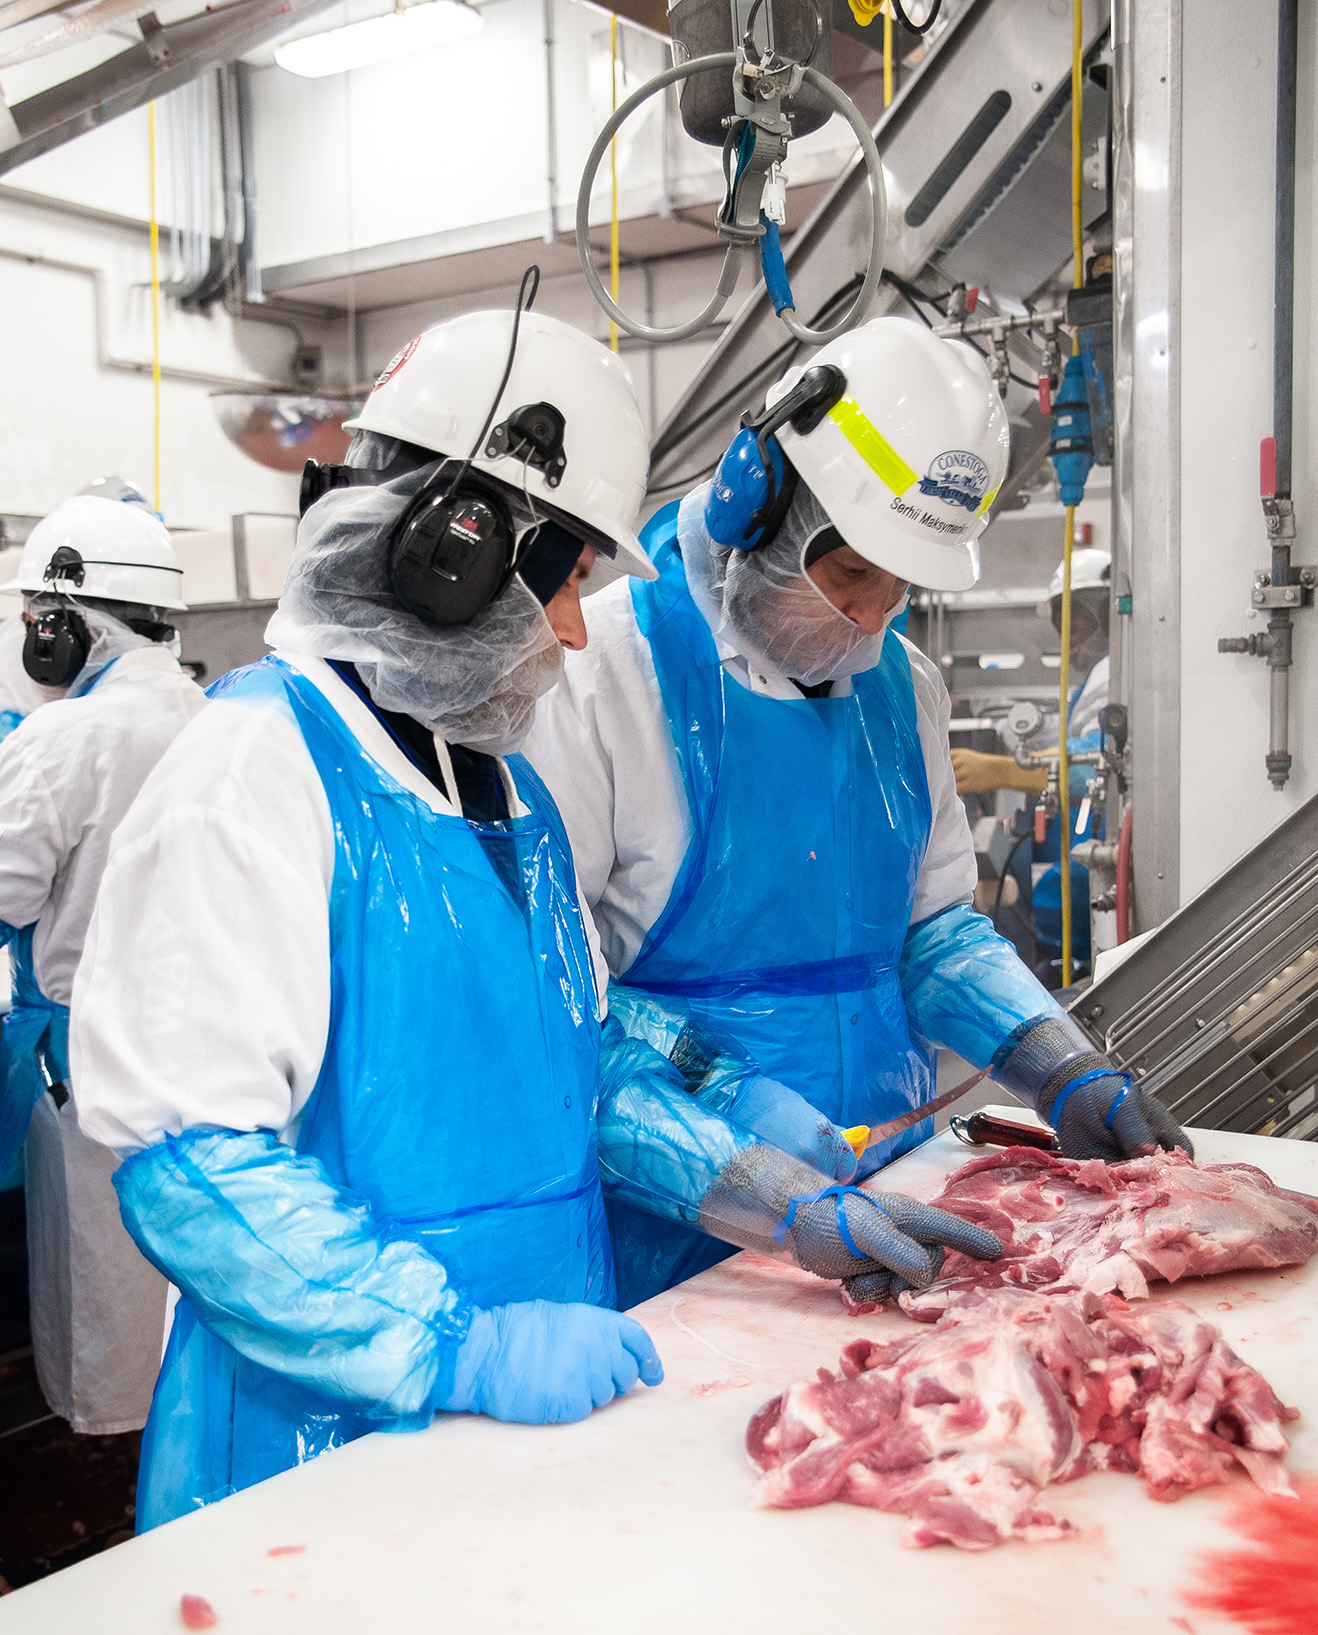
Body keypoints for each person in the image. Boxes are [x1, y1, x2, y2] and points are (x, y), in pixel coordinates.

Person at [70, 301, 1000, 1529]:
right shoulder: (249, 775)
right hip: (322, 1453)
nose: (570, 631)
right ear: (447, 557)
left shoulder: (506, 798)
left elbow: (586, 1066)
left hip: (529, 1428)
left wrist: (769, 1198)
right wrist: (455, 1346)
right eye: (563, 583)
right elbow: (194, 1168)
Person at [525, 317, 1188, 1308]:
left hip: (896, 1200)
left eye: (900, 586)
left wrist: (1056, 1064)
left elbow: (932, 935)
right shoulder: (598, 678)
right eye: (850, 577)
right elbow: (559, 1007)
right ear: (757, 510)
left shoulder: (902, 686)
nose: (874, 618)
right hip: (684, 1229)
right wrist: (752, 1165)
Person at [0, 478, 203, 1434]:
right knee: (189, 1285)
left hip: (90, 1068)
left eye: (37, 621)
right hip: (206, 1047)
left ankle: (111, 1468)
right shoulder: (218, 712)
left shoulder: (63, 739)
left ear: (66, 629)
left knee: (101, 1301)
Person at [950, 547, 1111, 973]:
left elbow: (1098, 762)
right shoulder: (1096, 679)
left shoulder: (1114, 673)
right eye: (1062, 626)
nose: (1068, 637)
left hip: (1096, 854)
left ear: (1107, 613)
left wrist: (1003, 770)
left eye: (1077, 624)